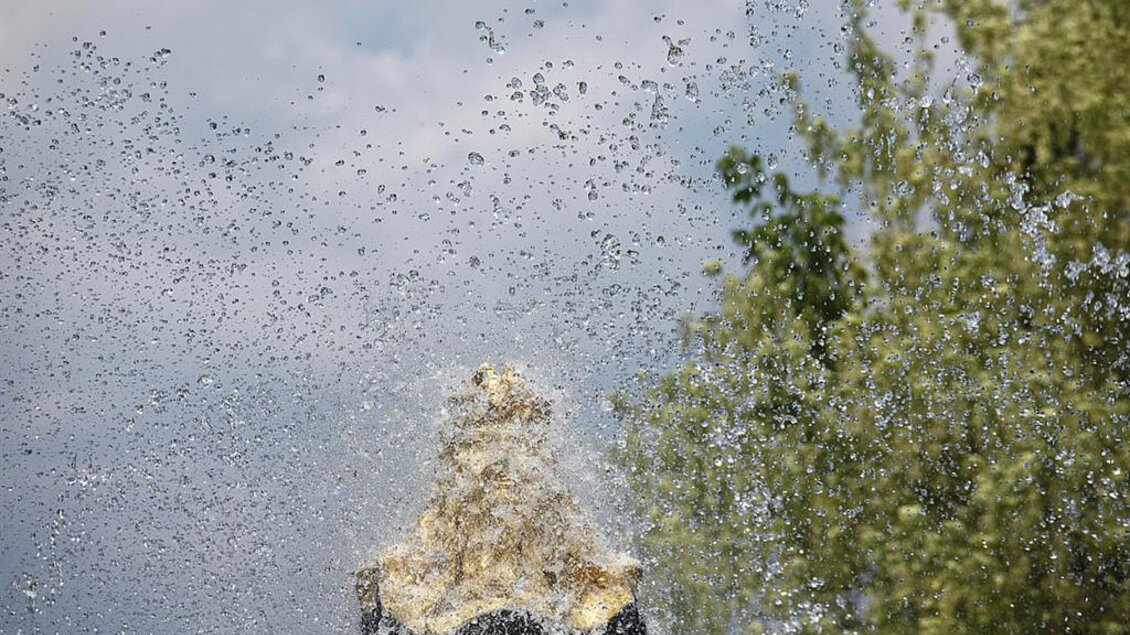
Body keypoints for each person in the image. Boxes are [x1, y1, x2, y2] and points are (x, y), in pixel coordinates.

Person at [355, 364, 647, 635]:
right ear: (454, 478)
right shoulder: (399, 594)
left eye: (521, 456)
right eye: (484, 449)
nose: (503, 469)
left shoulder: (606, 602)